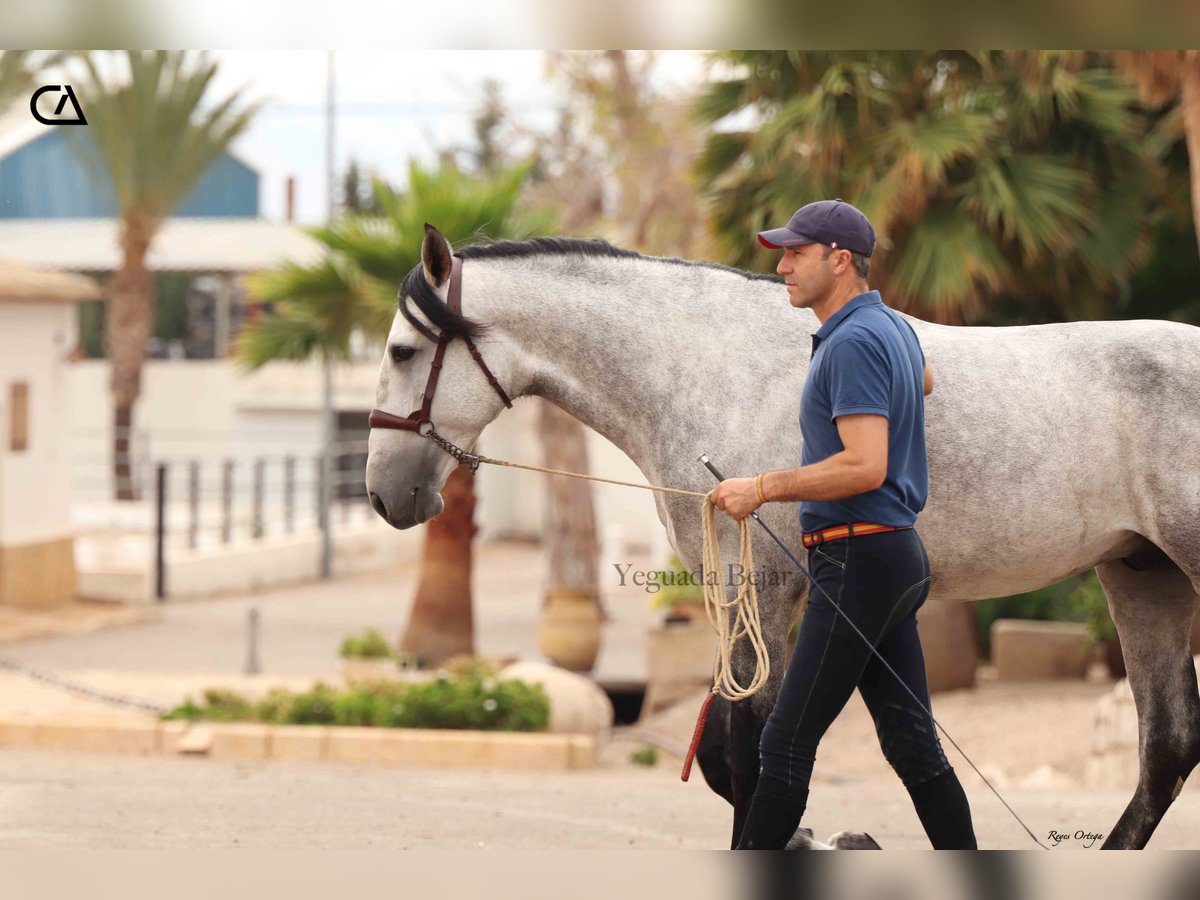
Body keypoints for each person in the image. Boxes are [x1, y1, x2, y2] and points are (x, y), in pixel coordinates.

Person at [709, 199, 977, 850]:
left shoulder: (854, 341)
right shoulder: (887, 330)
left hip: (858, 560)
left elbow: (864, 465)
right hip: (890, 558)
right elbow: (927, 379)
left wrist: (761, 488)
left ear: (840, 260)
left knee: (785, 742)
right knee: (914, 748)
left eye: (796, 255)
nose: (783, 268)